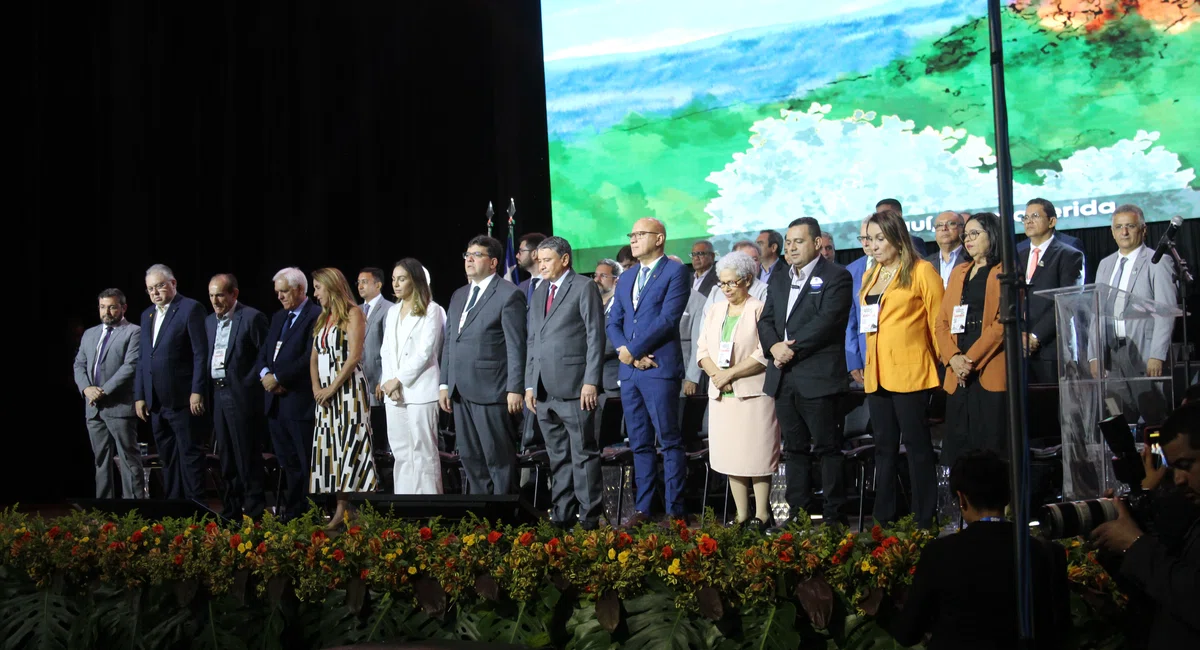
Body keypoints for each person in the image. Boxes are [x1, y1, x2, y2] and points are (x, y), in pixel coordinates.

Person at [885, 450, 1071, 650]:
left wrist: (880, 607)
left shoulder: (940, 553)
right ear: (1007, 496)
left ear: (962, 499)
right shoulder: (1047, 553)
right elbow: (1060, 633)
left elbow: (908, 632)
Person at [759, 217, 852, 527]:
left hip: (819, 377)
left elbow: (827, 322)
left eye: (798, 241)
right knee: (795, 450)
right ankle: (797, 517)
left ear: (816, 244)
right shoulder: (780, 277)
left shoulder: (836, 276)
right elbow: (766, 320)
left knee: (828, 449)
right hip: (784, 377)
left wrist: (790, 351)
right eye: (788, 241)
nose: (791, 247)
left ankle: (834, 518)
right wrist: (773, 348)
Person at [860, 210, 944, 528]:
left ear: (897, 237)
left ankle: (925, 518)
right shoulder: (871, 275)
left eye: (880, 238)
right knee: (884, 449)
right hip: (877, 373)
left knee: (917, 447)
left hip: (911, 372)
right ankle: (885, 518)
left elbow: (939, 321)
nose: (875, 245)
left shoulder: (922, 271)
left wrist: (944, 364)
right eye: (870, 239)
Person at [1092, 402, 1199, 648]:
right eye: (1173, 469)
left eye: (1186, 465)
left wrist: (1136, 544)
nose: (1179, 480)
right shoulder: (1189, 516)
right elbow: (1164, 592)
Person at [606, 217, 691, 525]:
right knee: (639, 442)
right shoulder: (627, 277)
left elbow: (668, 319)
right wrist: (627, 355)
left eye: (641, 234)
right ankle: (643, 509)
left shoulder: (675, 271)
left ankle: (674, 511)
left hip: (659, 368)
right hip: (632, 371)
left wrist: (634, 351)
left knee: (668, 441)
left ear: (659, 238)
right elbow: (613, 321)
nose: (633, 239)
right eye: (632, 234)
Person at [525, 236, 606, 529]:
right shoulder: (539, 292)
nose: (541, 265)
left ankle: (589, 518)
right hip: (544, 391)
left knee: (583, 454)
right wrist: (530, 384)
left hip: (576, 388)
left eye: (547, 260)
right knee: (558, 457)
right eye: (540, 260)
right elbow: (533, 340)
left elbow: (595, 336)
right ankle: (562, 515)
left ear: (565, 260)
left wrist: (591, 381)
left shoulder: (583, 287)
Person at [696, 251, 779, 530]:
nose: (727, 289)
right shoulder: (717, 309)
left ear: (747, 280)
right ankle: (742, 514)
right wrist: (717, 376)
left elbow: (763, 352)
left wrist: (730, 373)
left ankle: (763, 514)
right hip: (722, 396)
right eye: (722, 283)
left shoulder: (759, 307)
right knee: (731, 456)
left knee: (756, 455)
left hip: (752, 394)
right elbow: (703, 348)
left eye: (732, 283)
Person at [439, 235, 527, 495]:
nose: (469, 259)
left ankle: (506, 521)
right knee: (471, 458)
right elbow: (450, 343)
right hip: (459, 390)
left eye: (476, 254)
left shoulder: (509, 294)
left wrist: (515, 387)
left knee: (498, 459)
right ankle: (482, 521)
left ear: (493, 262)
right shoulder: (459, 294)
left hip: (493, 390)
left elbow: (516, 345)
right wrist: (445, 382)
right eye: (467, 254)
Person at [1091, 204, 1176, 424]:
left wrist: (1157, 354)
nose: (1124, 232)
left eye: (1130, 226)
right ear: (1112, 231)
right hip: (1112, 354)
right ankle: (1125, 458)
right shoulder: (1105, 264)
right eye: (1119, 227)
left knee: (1153, 416)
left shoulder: (1157, 261)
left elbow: (1165, 312)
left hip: (1143, 354)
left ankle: (1158, 458)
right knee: (1116, 414)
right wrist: (1095, 355)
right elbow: (1096, 312)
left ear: (1143, 229)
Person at [935, 213, 1007, 468]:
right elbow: (942, 323)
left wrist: (970, 360)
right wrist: (953, 358)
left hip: (987, 367)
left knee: (990, 450)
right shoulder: (959, 272)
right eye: (966, 235)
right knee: (959, 448)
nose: (968, 239)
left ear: (993, 235)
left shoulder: (1005, 271)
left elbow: (1002, 324)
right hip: (957, 370)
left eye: (975, 234)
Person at [309, 268, 378, 529]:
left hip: (348, 391)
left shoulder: (353, 313)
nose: (315, 294)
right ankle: (340, 510)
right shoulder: (323, 318)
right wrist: (317, 388)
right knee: (333, 450)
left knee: (351, 447)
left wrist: (331, 388)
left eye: (317, 287)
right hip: (325, 396)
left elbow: (354, 357)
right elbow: (314, 357)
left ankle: (357, 511)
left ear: (330, 286)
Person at [133, 264, 209, 500]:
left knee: (190, 455)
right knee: (167, 457)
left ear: (173, 283)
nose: (155, 292)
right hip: (156, 401)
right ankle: (175, 509)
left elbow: (200, 353)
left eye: (160, 286)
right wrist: (140, 395)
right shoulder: (147, 315)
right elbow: (144, 358)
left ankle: (198, 511)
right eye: (150, 289)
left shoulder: (190, 308)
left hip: (183, 398)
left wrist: (197, 390)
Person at [255, 267, 322, 521]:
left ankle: (309, 515)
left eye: (284, 292)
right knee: (287, 463)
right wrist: (265, 375)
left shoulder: (316, 315)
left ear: (300, 289)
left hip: (298, 401)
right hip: (275, 403)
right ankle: (292, 513)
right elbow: (264, 353)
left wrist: (279, 378)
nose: (280, 297)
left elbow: (309, 357)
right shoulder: (278, 318)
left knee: (305, 464)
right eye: (277, 292)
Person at [379, 259, 446, 495]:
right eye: (394, 279)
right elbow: (386, 350)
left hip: (421, 390)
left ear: (415, 280)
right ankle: (406, 508)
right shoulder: (392, 311)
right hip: (394, 393)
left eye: (402, 279)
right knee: (401, 452)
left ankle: (431, 511)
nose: (396, 284)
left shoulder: (432, 309)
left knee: (424, 451)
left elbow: (426, 352)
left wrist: (399, 379)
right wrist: (389, 383)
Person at [205, 274, 269, 519]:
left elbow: (263, 357)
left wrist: (248, 385)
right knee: (226, 457)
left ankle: (254, 512)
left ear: (234, 294)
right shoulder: (209, 321)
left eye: (220, 294)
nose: (215, 300)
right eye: (211, 295)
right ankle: (231, 511)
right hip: (218, 394)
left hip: (242, 395)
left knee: (246, 455)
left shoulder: (252, 317)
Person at [73, 288, 145, 499]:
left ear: (123, 307)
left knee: (128, 460)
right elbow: (79, 364)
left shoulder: (134, 332)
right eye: (103, 307)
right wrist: (87, 389)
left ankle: (134, 511)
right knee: (100, 461)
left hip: (119, 406)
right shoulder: (90, 333)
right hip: (93, 408)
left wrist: (102, 391)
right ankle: (104, 512)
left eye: (112, 307)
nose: (107, 312)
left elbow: (130, 366)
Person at [1018, 198, 1085, 384]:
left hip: (1051, 348)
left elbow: (1068, 302)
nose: (1028, 221)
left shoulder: (1070, 255)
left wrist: (1034, 337)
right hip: (1018, 348)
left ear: (1052, 221)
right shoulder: (1017, 256)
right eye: (1025, 217)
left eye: (1035, 216)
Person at [357, 267, 394, 443]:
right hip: (358, 382)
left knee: (380, 432)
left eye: (364, 282)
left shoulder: (389, 309)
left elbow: (389, 346)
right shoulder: (356, 310)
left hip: (378, 382)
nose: (360, 286)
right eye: (358, 282)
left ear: (378, 284)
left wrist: (383, 378)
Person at [846, 216, 874, 388]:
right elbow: (849, 321)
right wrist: (853, 360)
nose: (865, 243)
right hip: (864, 356)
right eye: (862, 238)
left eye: (869, 238)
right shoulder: (852, 270)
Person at [925, 211, 965, 289]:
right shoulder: (927, 263)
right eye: (939, 225)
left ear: (962, 229)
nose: (944, 228)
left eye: (951, 224)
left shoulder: (972, 259)